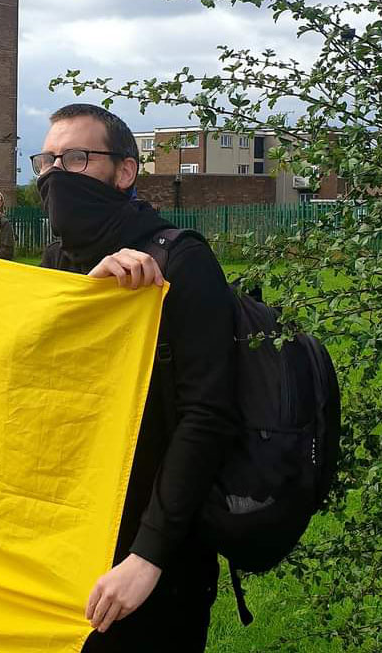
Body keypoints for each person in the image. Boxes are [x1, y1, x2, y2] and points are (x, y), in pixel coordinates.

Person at [33, 104, 238, 651]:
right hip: (69, 532)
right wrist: (90, 297)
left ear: (125, 171)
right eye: (47, 161)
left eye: (76, 158)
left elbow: (208, 417)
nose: (56, 175)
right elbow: (33, 380)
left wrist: (148, 556)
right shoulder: (57, 262)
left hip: (155, 552)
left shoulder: (182, 261)